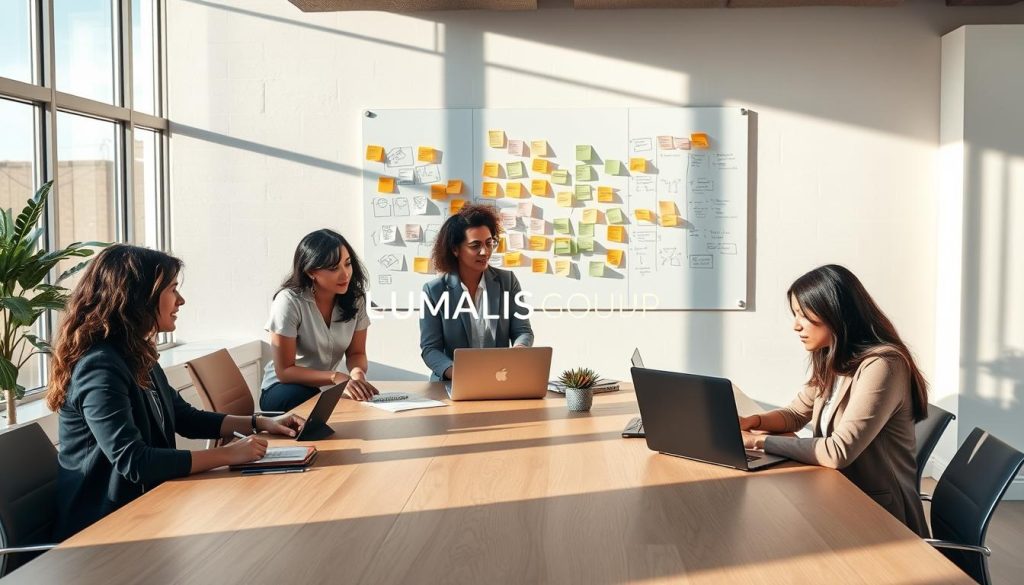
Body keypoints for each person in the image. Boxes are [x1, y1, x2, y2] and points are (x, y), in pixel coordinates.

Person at [47, 245, 304, 540]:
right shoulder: (100, 366)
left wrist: (260, 422)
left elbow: (184, 417)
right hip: (104, 530)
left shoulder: (136, 353)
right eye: (172, 289)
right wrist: (227, 454)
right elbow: (135, 462)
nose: (181, 300)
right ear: (138, 297)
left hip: (149, 510)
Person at [740, 264, 929, 537]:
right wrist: (752, 421)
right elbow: (795, 413)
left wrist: (757, 440)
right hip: (836, 492)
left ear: (836, 313)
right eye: (795, 315)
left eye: (804, 315)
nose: (796, 326)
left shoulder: (883, 365)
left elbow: (838, 452)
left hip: (878, 512)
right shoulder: (834, 357)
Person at [260, 228, 377, 412]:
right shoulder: (289, 301)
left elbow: (356, 354)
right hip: (282, 390)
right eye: (333, 268)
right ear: (311, 272)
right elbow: (284, 372)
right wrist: (335, 377)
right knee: (320, 405)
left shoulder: (356, 300)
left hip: (323, 390)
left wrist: (357, 373)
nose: (345, 274)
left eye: (347, 264)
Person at [419, 204, 534, 381]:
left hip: (499, 379)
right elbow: (430, 349)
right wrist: (457, 373)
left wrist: (519, 350)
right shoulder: (434, 291)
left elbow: (523, 331)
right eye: (475, 245)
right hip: (453, 381)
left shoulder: (508, 281)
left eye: (489, 243)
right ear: (455, 249)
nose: (485, 251)